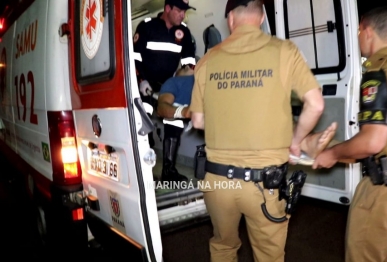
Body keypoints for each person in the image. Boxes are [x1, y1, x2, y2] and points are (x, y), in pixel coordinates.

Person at [189, 0, 331, 261]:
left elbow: (197, 120)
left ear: (230, 19)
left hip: (217, 182)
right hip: (265, 185)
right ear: (263, 16)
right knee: (269, 256)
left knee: (222, 246)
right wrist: (296, 142)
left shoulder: (208, 59)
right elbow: (316, 103)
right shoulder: (284, 51)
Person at [311, 7, 387, 262]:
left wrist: (331, 154)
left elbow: (372, 142)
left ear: (367, 31)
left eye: (358, 31)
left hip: (385, 189)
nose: (357, 37)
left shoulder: (379, 73)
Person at [133, 0, 197, 148]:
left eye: (185, 11)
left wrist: (178, 86)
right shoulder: (147, 26)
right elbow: (135, 58)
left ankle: (168, 168)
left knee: (175, 117)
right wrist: (141, 80)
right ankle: (146, 146)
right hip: (145, 83)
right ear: (168, 8)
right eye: (179, 10)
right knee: (145, 110)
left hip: (168, 84)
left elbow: (189, 65)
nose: (183, 15)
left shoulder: (184, 33)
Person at [157, 65, 195, 181]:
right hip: (182, 114)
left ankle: (168, 172)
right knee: (173, 124)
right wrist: (183, 112)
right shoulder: (174, 82)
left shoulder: (174, 81)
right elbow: (162, 108)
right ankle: (168, 172)